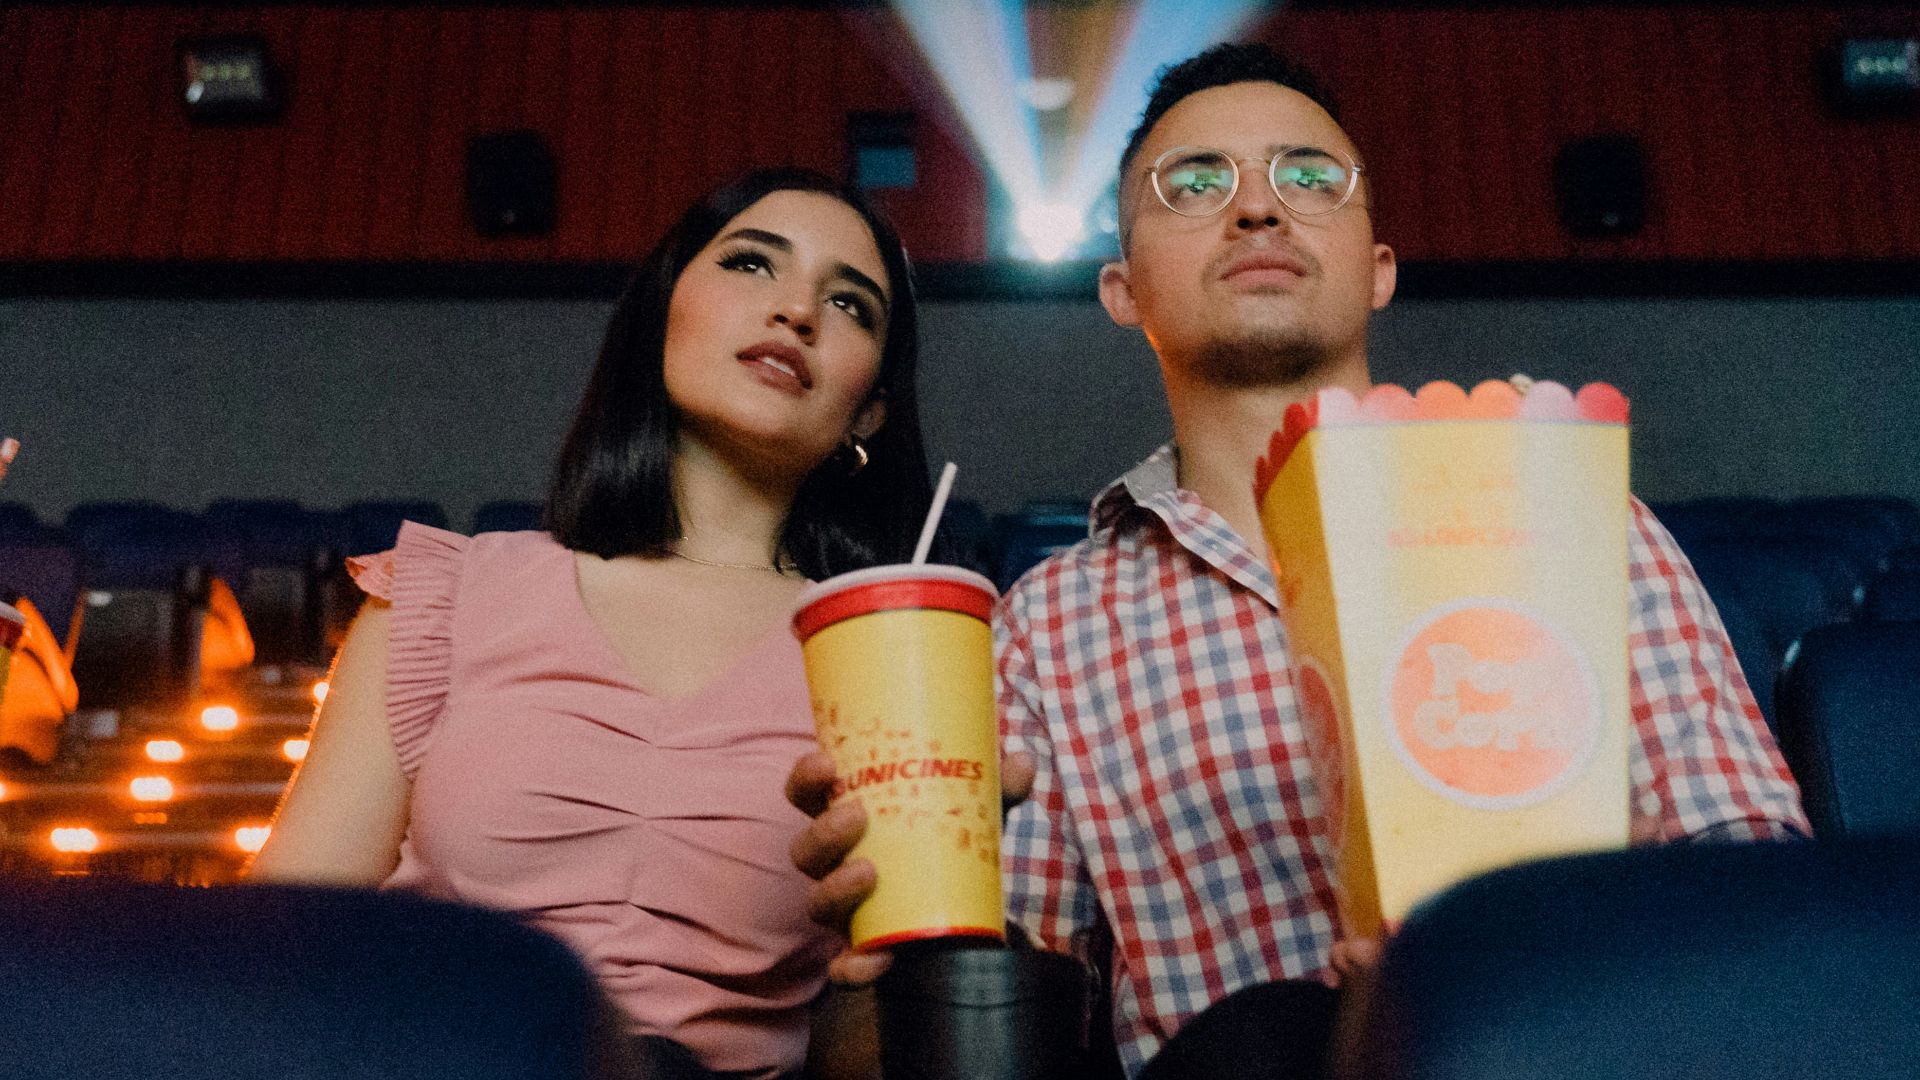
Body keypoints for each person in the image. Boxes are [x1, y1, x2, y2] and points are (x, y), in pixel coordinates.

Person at [787, 43, 1809, 1079]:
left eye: (1309, 177)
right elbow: (1007, 1022)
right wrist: (899, 938)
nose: (1258, 209)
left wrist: (1559, 935)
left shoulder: (1578, 517)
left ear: (1379, 269)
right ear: (1122, 290)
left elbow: (1762, 896)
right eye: (1195, 184)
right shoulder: (1048, 626)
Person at [250, 166, 932, 1080]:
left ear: (870, 410)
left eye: (850, 305)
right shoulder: (449, 596)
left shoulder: (890, 659)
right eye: (752, 264)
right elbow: (285, 951)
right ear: (662, 313)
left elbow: (873, 1040)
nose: (798, 311)